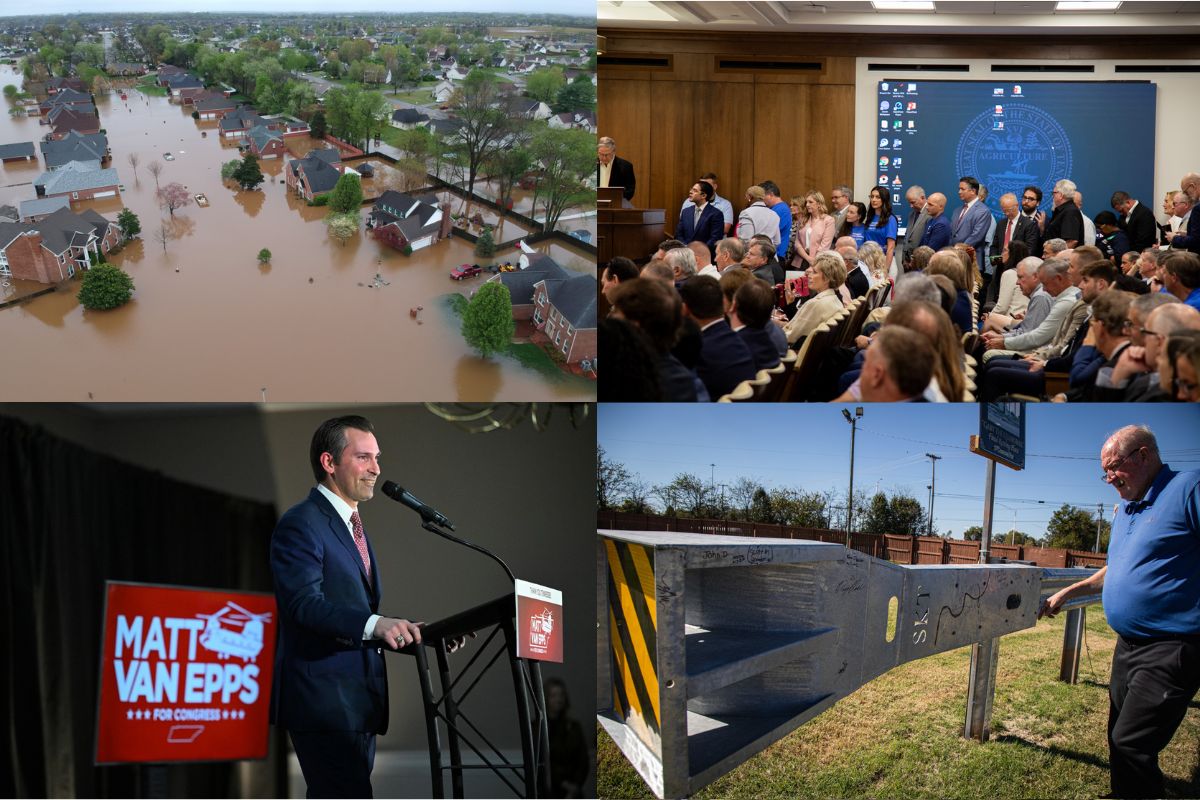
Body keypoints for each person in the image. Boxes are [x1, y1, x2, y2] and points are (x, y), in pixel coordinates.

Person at [1040, 425, 1200, 799]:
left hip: (1172, 645)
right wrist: (1069, 591)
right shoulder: (1127, 508)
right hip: (1128, 646)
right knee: (1118, 734)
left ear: (1144, 455)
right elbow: (1117, 568)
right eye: (1105, 471)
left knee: (1132, 741)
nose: (1109, 478)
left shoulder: (1188, 489)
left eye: (1114, 467)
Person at [271, 416, 422, 798]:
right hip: (324, 703)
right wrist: (376, 625)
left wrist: (411, 631)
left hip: (356, 703)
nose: (376, 468)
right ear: (329, 462)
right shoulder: (302, 523)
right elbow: (304, 605)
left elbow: (354, 610)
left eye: (377, 457)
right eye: (364, 457)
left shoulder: (351, 525)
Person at [781, 250, 847, 344]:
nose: (809, 274)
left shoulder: (816, 303)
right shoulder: (834, 299)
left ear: (827, 278)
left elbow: (791, 337)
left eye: (815, 272)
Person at [545, 678, 589, 799]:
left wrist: (575, 786)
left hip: (574, 791)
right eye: (553, 695)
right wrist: (564, 784)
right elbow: (543, 762)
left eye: (561, 695)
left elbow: (583, 759)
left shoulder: (574, 727)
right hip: (550, 791)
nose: (558, 699)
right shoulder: (538, 729)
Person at [674, 180, 724, 256]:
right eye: (691, 189)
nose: (690, 192)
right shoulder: (686, 212)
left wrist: (699, 252)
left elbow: (715, 238)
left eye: (695, 191)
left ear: (703, 196)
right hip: (685, 256)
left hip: (705, 256)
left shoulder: (716, 214)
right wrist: (686, 249)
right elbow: (678, 234)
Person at [792, 190, 835, 272]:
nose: (807, 205)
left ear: (819, 204)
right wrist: (808, 258)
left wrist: (813, 260)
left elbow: (825, 245)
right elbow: (797, 243)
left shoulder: (828, 220)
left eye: (811, 202)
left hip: (818, 261)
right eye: (806, 202)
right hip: (801, 260)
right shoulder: (803, 219)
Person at [863, 186, 898, 269]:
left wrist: (886, 269)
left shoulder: (891, 219)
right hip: (869, 261)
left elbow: (891, 247)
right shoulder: (870, 217)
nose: (873, 200)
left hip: (884, 260)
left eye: (877, 197)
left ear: (884, 199)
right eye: (872, 196)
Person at [596, 136, 635, 201]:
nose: (604, 158)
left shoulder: (625, 166)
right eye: (601, 154)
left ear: (614, 152)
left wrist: (615, 200)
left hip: (615, 206)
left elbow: (630, 191)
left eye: (607, 154)